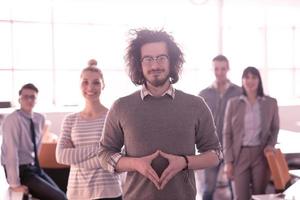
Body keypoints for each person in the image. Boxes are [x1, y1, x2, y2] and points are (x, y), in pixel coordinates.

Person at [98, 28, 222, 200]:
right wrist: (135, 164)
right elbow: (104, 154)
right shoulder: (121, 107)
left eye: (161, 58)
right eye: (148, 59)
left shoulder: (196, 105)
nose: (155, 65)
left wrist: (185, 162)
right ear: (138, 64)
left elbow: (215, 155)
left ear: (171, 61)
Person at [56, 59, 122, 200]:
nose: (90, 87)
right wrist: (101, 150)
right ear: (79, 85)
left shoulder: (113, 117)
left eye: (96, 82)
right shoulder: (70, 120)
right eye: (85, 82)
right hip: (77, 193)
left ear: (103, 85)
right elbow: (61, 156)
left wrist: (75, 157)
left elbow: (116, 156)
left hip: (108, 192)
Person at [1, 83, 67, 200]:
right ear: (19, 99)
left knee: (63, 195)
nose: (29, 100)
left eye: (33, 97)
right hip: (21, 171)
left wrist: (36, 164)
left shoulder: (39, 118)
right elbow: (11, 153)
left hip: (34, 168)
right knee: (60, 198)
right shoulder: (13, 120)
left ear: (36, 100)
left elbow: (38, 145)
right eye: (26, 97)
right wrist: (15, 184)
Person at [223, 66, 279, 200]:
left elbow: (275, 127)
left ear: (259, 80)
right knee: (240, 196)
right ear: (242, 81)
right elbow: (227, 133)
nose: (250, 80)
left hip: (261, 155)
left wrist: (271, 145)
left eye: (254, 77)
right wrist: (228, 161)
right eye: (246, 77)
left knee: (259, 195)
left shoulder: (270, 103)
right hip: (240, 154)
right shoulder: (233, 103)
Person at [199, 55, 241, 200]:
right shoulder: (204, 94)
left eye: (223, 68)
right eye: (216, 68)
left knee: (235, 190)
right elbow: (199, 122)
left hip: (233, 148)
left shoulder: (239, 92)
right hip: (211, 148)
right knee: (208, 190)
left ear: (228, 69)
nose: (220, 72)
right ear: (213, 69)